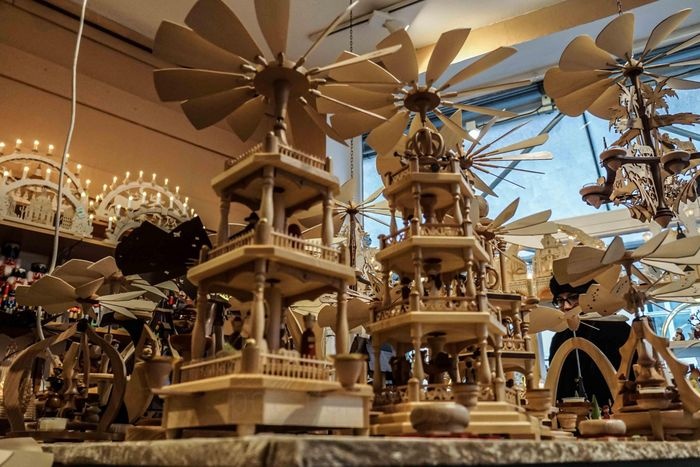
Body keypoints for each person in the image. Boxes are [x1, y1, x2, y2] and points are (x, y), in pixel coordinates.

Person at [548, 277, 632, 406]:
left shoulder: (617, 328)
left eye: (573, 297)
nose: (566, 306)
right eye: (560, 300)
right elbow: (557, 384)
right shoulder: (559, 337)